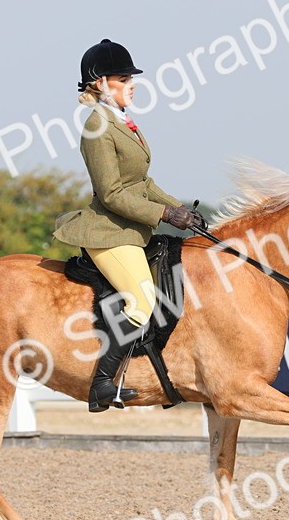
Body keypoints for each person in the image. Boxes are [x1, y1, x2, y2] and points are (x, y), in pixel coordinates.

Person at [53, 38, 203, 412]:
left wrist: (179, 207)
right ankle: (101, 384)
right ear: (100, 83)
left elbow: (143, 183)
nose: (132, 84)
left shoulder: (123, 123)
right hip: (108, 232)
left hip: (131, 230)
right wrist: (166, 216)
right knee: (141, 301)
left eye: (130, 77)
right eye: (123, 78)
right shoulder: (97, 127)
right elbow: (112, 194)